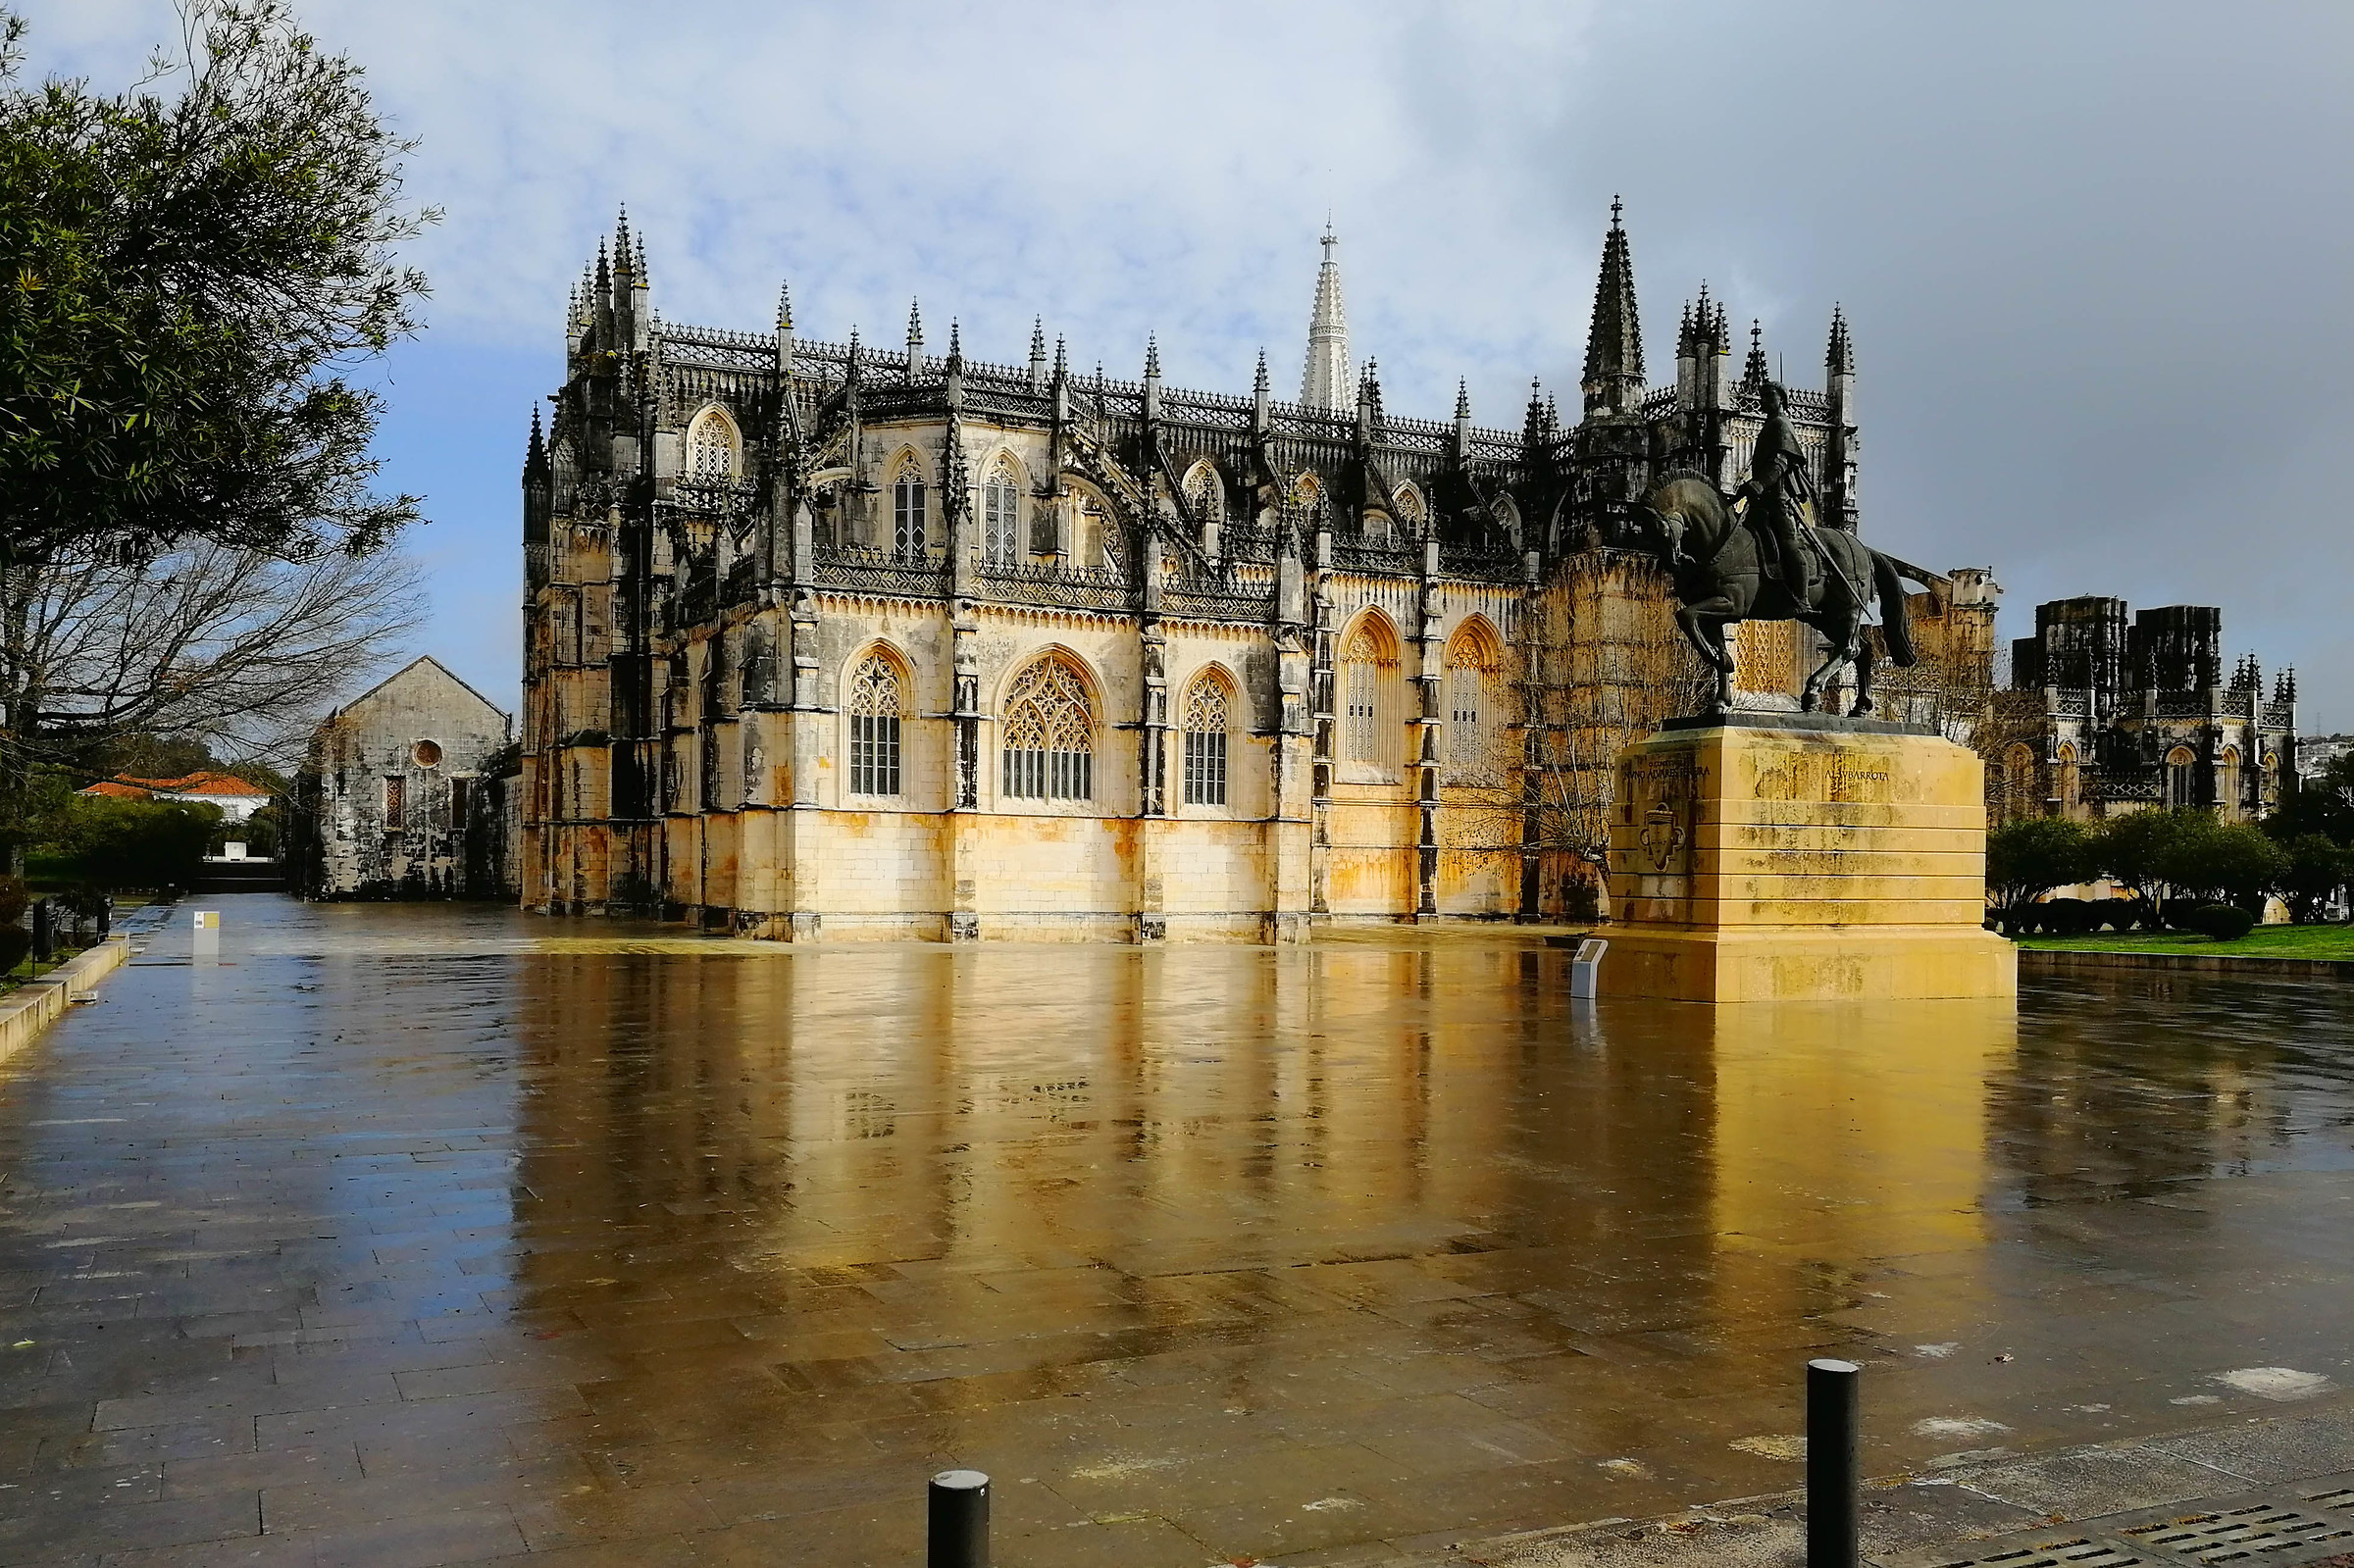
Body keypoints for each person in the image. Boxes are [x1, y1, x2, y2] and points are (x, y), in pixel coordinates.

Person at [1734, 380, 1820, 600]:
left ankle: (1802, 598)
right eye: (1762, 397)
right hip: (1762, 500)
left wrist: (1759, 484)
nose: (1764, 401)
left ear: (1781, 398)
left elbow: (1779, 463)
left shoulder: (1781, 424)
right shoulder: (1770, 424)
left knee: (1789, 544)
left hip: (1779, 500)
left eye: (1770, 396)